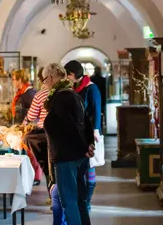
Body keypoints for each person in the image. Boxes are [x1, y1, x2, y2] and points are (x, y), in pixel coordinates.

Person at [42, 62, 94, 225]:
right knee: (80, 202)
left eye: (44, 80)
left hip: (67, 157)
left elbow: (69, 126)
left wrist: (85, 147)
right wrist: (88, 144)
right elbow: (86, 122)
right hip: (78, 155)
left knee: (70, 202)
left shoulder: (60, 97)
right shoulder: (72, 93)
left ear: (50, 78)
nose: (44, 84)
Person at [64, 60, 102, 212]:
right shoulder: (73, 88)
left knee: (90, 168)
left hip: (90, 133)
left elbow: (97, 109)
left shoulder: (91, 88)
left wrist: (96, 130)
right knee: (81, 169)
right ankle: (82, 200)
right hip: (77, 133)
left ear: (74, 74)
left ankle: (86, 201)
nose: (66, 77)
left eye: (68, 74)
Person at [22, 67, 50, 186]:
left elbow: (32, 116)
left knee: (47, 166)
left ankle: (53, 197)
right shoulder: (67, 92)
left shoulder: (40, 95)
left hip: (44, 132)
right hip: (62, 135)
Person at [90, 66, 108, 133]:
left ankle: (93, 128)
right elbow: (105, 91)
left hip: (92, 99)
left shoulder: (91, 79)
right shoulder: (103, 79)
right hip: (102, 99)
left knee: (93, 113)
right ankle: (100, 128)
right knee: (100, 114)